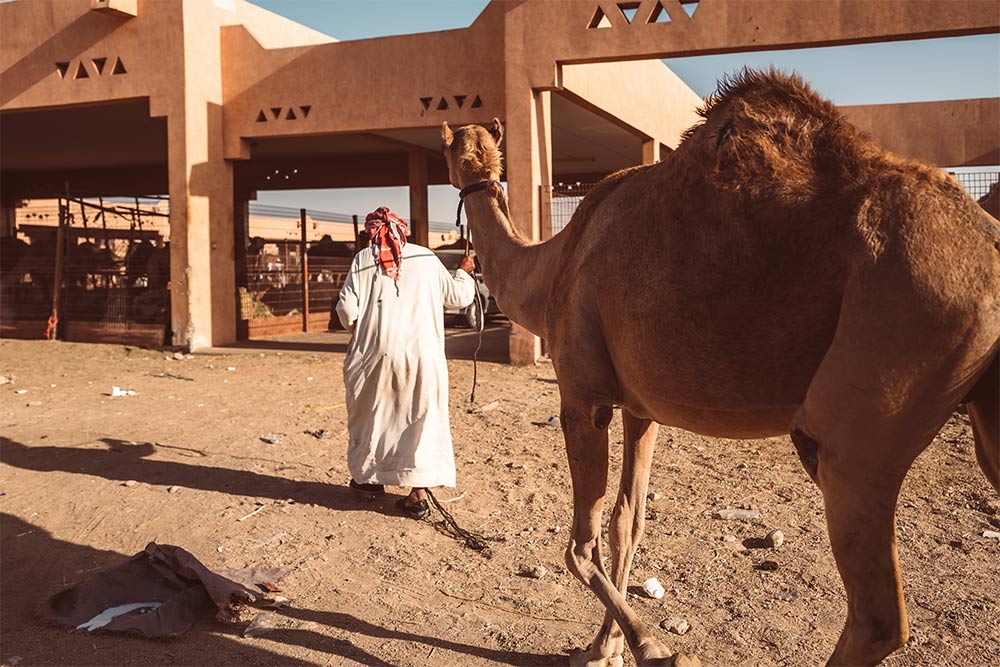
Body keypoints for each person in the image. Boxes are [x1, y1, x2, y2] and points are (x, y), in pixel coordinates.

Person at [336, 206, 476, 519]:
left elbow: (346, 310)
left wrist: (362, 330)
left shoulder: (363, 259)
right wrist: (464, 271)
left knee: (372, 418)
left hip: (373, 357)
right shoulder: (426, 257)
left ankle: (368, 482)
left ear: (372, 231)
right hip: (422, 357)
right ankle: (418, 494)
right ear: (403, 231)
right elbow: (458, 297)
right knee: (419, 419)